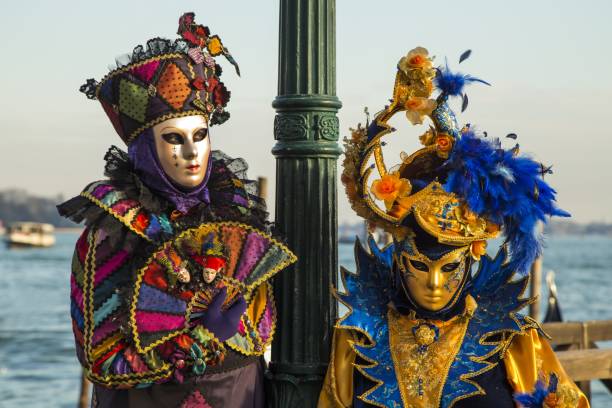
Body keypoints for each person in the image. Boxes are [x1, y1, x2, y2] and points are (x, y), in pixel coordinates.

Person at [319, 47, 588, 407]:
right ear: (399, 261)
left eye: (449, 268)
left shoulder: (515, 342)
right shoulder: (357, 338)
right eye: (418, 265)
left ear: (469, 262)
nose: (434, 284)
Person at [58, 12, 296, 408]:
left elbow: (259, 326)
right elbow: (103, 361)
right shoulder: (114, 232)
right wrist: (199, 339)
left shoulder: (234, 216)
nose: (191, 152)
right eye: (173, 138)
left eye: (200, 135)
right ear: (144, 149)